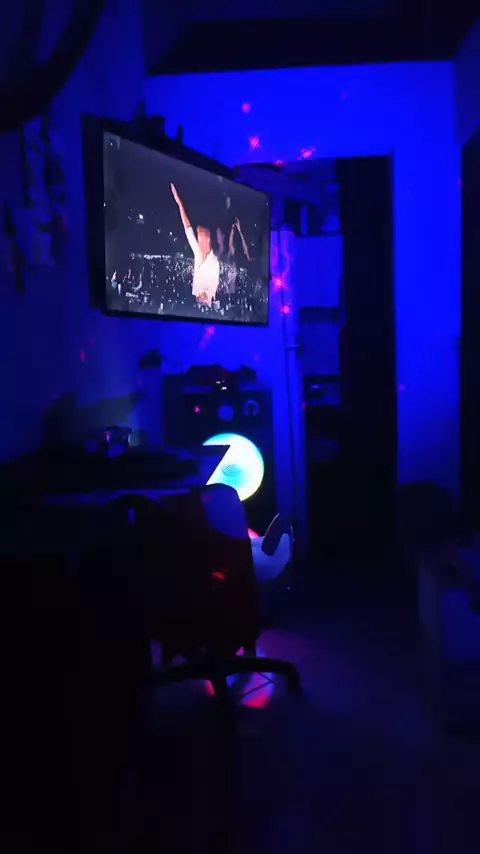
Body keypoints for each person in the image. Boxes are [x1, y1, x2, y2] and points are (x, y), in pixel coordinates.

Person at [170, 183, 220, 308]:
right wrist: (179, 203)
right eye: (198, 240)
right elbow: (188, 228)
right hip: (194, 304)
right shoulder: (197, 251)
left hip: (206, 307)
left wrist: (205, 296)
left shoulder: (214, 263)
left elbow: (213, 288)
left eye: (201, 240)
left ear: (208, 239)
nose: (199, 243)